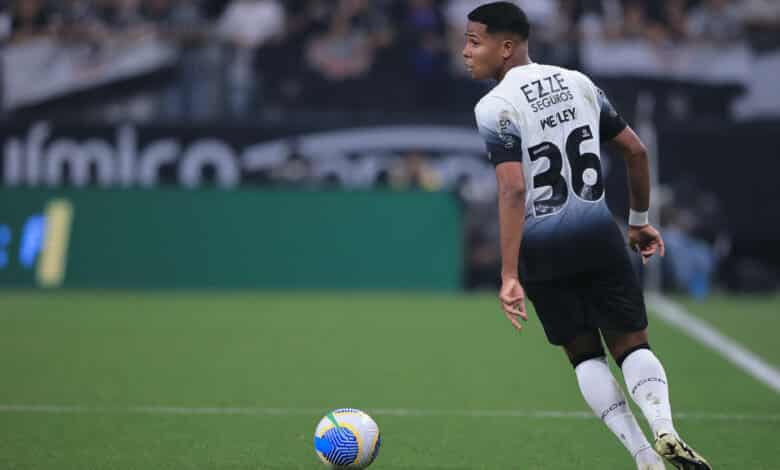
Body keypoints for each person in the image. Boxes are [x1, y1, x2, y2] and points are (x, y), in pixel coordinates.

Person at [463, 3, 711, 469]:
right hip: (598, 233)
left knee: (583, 356)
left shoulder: (493, 106)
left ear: (507, 46)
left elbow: (514, 187)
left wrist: (509, 273)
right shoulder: (578, 82)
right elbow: (635, 152)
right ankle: (665, 429)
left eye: (475, 41)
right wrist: (638, 221)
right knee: (632, 344)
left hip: (541, 247)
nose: (465, 52)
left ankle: (644, 458)